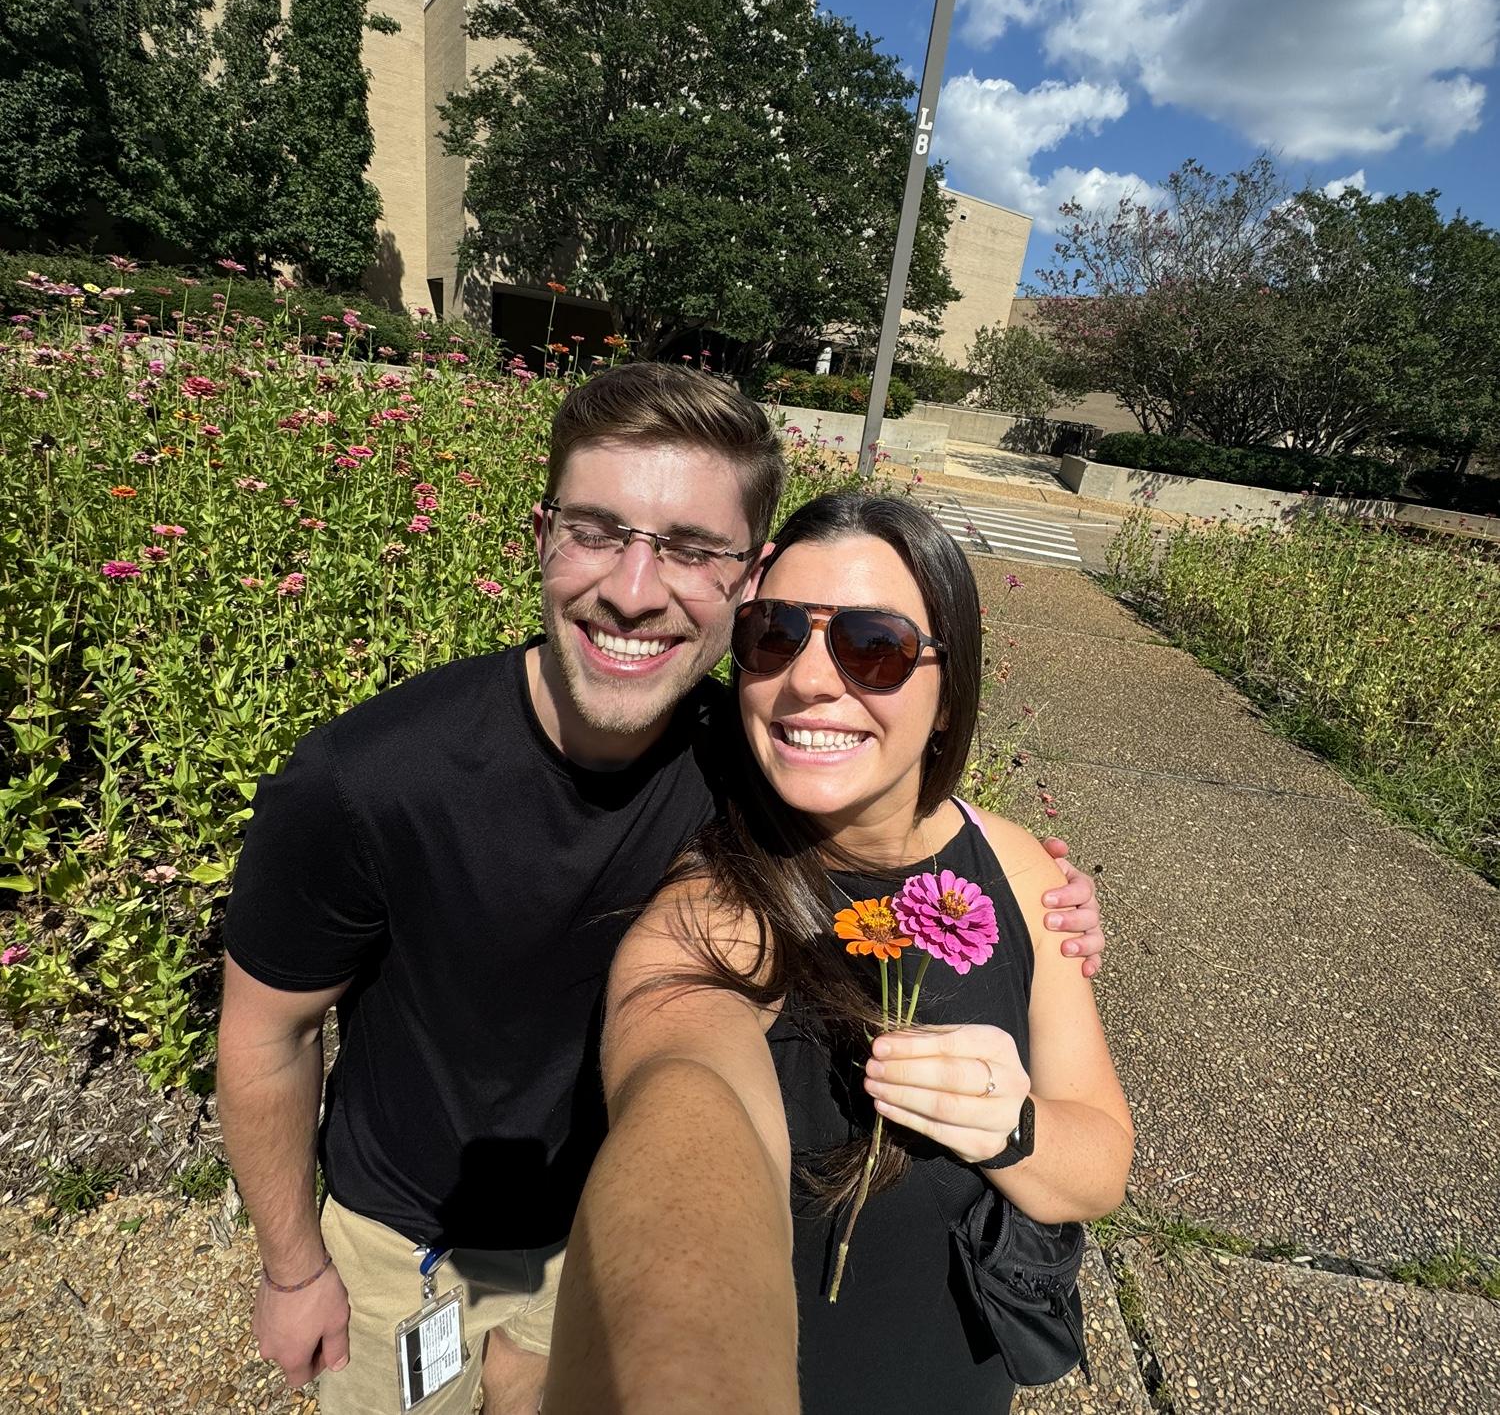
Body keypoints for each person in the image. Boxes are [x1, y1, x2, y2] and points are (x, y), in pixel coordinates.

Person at [216, 366, 1106, 1415]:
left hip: (590, 1227)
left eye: (690, 549)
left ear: (748, 581)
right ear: (540, 537)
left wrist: (1036, 885)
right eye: (596, 532)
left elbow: (885, 794)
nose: (635, 590)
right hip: (409, 1240)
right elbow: (267, 1037)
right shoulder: (367, 779)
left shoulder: (757, 749)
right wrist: (292, 1269)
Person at [545, 492, 1133, 1415]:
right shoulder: (717, 905)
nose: (809, 680)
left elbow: (1100, 1164)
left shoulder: (1020, 871)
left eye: (874, 646)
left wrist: (1009, 1127)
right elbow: (686, 1079)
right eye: (774, 635)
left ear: (949, 695)